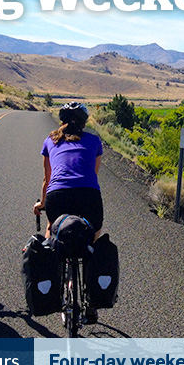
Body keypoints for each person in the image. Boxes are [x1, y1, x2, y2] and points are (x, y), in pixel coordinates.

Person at [33, 101, 104, 324]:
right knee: (93, 234)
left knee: (51, 229)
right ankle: (90, 297)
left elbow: (48, 179)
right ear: (84, 123)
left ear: (62, 120)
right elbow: (92, 174)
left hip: (57, 196)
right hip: (88, 196)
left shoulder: (50, 140)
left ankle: (52, 276)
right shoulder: (94, 141)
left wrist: (41, 204)